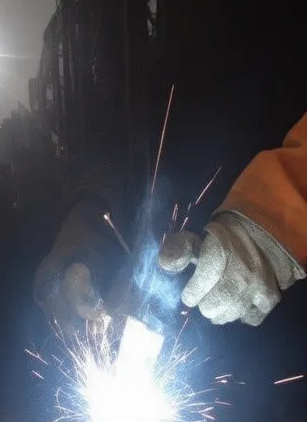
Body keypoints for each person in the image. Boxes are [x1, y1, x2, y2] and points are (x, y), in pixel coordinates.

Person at [34, 111, 307, 334]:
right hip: (185, 323)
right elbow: (113, 140)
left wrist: (269, 218)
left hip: (276, 315)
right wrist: (83, 245)